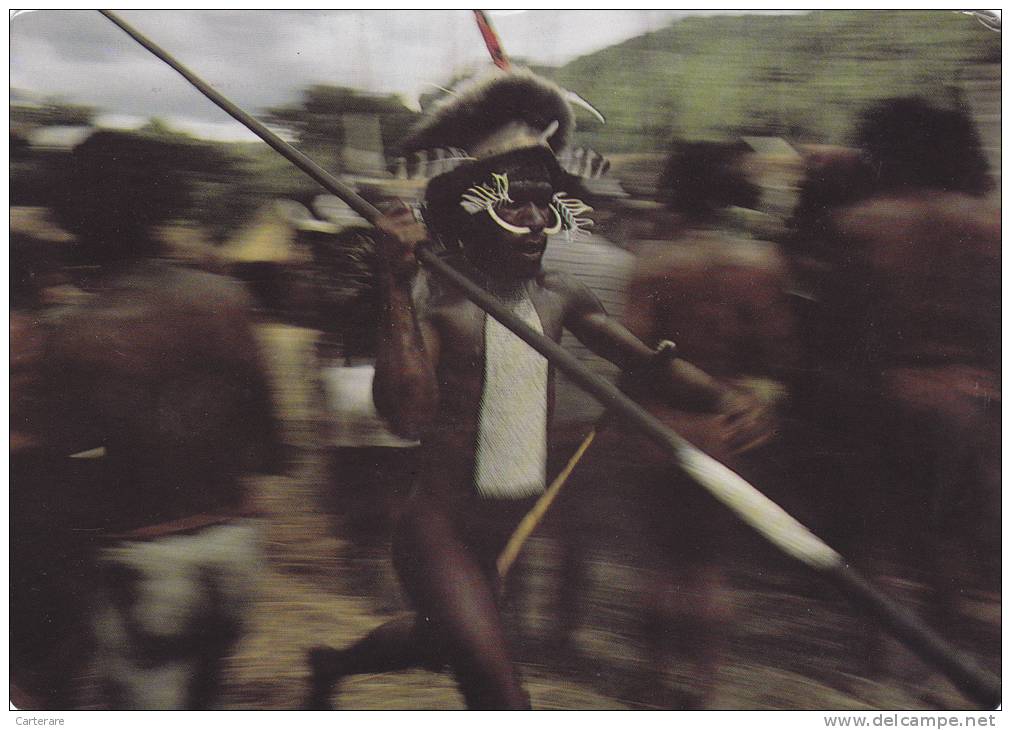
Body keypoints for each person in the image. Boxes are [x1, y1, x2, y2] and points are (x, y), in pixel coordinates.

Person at [305, 70, 770, 710]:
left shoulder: (558, 297)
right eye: (511, 207)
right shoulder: (441, 304)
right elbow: (406, 416)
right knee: (502, 698)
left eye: (543, 207)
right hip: (441, 533)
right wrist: (394, 282)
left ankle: (333, 665)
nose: (534, 223)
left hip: (507, 527)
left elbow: (647, 367)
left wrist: (723, 397)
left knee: (440, 644)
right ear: (469, 218)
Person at [24, 130, 282, 709]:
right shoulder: (226, 298)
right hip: (236, 549)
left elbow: (63, 466)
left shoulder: (77, 330)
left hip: (146, 564)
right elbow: (269, 445)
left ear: (79, 222)